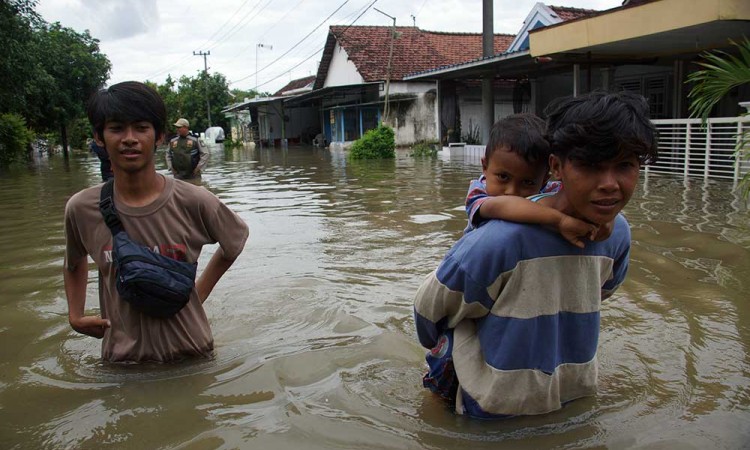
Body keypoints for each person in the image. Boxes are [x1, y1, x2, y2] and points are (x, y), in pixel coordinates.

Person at [413, 90, 658, 418]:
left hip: (571, 399)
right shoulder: (499, 240)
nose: (610, 184)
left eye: (625, 166)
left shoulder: (618, 233)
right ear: (556, 167)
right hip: (492, 415)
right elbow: (428, 312)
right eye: (590, 166)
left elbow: (598, 293)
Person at [63, 81, 249, 363]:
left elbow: (234, 242)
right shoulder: (81, 209)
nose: (129, 138)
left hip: (193, 358)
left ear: (159, 136)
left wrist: (195, 294)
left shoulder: (194, 201)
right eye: (116, 128)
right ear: (99, 137)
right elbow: (73, 262)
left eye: (141, 127)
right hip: (122, 363)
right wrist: (75, 316)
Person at [463, 113, 597, 247]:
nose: (512, 192)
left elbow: (581, 196)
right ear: (485, 167)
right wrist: (560, 220)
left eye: (527, 182)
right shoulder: (477, 192)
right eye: (503, 177)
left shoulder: (551, 189)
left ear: (545, 179)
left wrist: (604, 221)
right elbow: (503, 205)